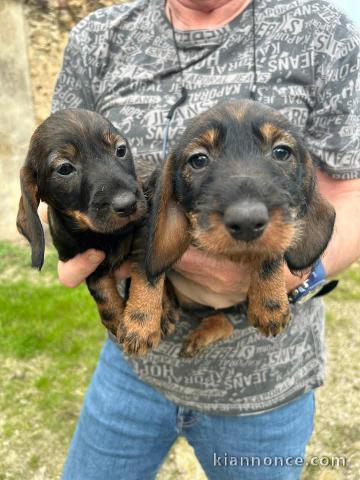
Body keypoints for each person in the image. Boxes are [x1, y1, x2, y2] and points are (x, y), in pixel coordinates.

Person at [48, 0, 360, 478]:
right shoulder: (98, 37)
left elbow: (351, 188)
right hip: (134, 367)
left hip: (267, 390)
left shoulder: (323, 29)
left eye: (279, 151)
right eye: (197, 160)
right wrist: (87, 257)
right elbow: (60, 164)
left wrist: (294, 274)